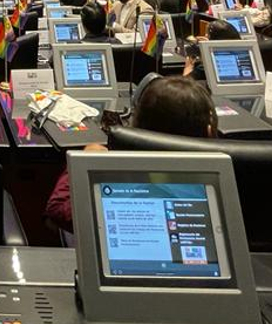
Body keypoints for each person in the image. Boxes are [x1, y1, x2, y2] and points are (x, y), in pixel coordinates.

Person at [46, 76, 216, 231]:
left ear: (137, 123)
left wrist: (87, 158)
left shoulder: (123, 179)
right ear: (209, 130)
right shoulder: (226, 176)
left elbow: (58, 210)